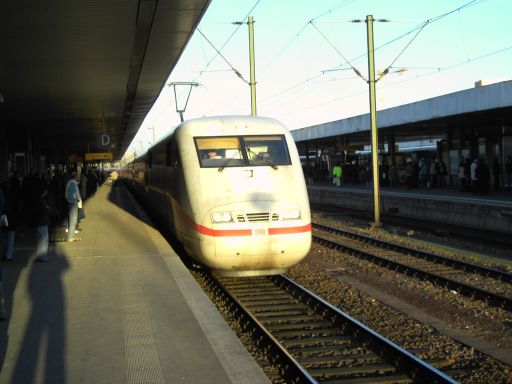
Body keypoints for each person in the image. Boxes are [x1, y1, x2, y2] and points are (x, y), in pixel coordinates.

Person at [1, 177, 20, 261]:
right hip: (11, 220)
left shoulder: (3, 196)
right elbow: (16, 208)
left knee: (4, 238)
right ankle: (9, 255)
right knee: (10, 238)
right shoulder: (13, 195)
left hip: (4, 219)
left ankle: (4, 254)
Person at [32, 184, 51, 262]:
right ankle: (43, 257)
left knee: (39, 240)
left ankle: (40, 256)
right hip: (42, 222)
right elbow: (45, 210)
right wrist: (47, 209)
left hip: (38, 222)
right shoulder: (41, 200)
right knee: (44, 240)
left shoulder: (37, 199)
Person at [65, 171, 82, 242]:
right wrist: (80, 201)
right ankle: (70, 237)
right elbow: (77, 194)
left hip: (69, 202)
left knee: (71, 219)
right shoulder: (73, 184)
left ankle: (70, 233)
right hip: (73, 203)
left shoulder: (69, 182)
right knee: (73, 220)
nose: (79, 177)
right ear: (75, 177)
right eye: (78, 176)